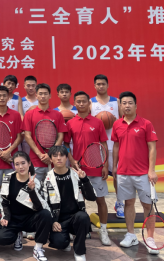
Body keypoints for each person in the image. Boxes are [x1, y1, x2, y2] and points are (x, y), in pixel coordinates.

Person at [112, 92, 159, 255]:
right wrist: (114, 166)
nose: (127, 105)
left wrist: (151, 170)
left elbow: (152, 147)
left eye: (130, 103)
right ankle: (131, 234)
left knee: (147, 205)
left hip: (143, 173)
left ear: (136, 105)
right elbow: (116, 146)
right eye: (124, 103)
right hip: (124, 172)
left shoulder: (146, 124)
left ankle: (150, 238)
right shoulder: (117, 124)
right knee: (128, 203)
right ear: (120, 106)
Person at [64, 91, 111, 246]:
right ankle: (80, 229)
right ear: (74, 103)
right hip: (78, 169)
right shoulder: (70, 123)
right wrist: (71, 160)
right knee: (78, 201)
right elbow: (66, 144)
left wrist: (105, 165)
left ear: (89, 103)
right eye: (78, 101)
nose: (81, 104)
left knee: (100, 200)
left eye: (84, 101)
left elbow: (104, 144)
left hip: (96, 167)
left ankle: (103, 230)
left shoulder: (98, 122)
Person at [0, 151, 53, 262]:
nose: (20, 167)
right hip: (14, 219)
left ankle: (38, 248)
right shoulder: (8, 178)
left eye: (23, 163)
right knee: (1, 238)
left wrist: (32, 190)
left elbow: (40, 207)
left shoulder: (35, 181)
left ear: (29, 163)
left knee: (45, 214)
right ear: (14, 166)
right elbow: (4, 202)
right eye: (17, 164)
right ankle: (17, 235)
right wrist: (6, 217)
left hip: (30, 219)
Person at [42, 146, 96, 262]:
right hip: (59, 221)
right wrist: (53, 221)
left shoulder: (77, 175)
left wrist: (84, 179)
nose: (59, 158)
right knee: (59, 243)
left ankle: (79, 251)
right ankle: (65, 240)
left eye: (62, 155)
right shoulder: (47, 180)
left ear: (67, 158)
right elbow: (44, 205)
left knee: (83, 217)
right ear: (51, 159)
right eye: (55, 156)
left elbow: (92, 197)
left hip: (76, 218)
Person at [90, 74, 123, 218]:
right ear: (94, 86)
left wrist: (115, 121)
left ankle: (120, 203)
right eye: (98, 84)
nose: (101, 86)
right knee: (98, 178)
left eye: (103, 84)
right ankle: (98, 205)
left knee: (118, 176)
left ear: (108, 85)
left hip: (115, 144)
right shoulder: (90, 103)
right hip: (97, 145)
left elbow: (124, 120)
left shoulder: (116, 102)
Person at [22, 84, 68, 182]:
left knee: (53, 190)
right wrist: (40, 154)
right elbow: (27, 136)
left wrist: (51, 154)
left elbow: (60, 136)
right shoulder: (29, 114)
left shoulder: (58, 114)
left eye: (45, 94)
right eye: (40, 94)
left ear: (50, 96)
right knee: (34, 188)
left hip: (53, 161)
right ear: (36, 95)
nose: (43, 96)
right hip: (35, 161)